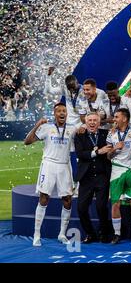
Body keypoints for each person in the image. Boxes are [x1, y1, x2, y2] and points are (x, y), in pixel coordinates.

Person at [24, 103, 77, 246]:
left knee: (67, 199)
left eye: (64, 111)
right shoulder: (46, 128)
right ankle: (36, 234)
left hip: (65, 166)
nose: (62, 113)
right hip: (49, 165)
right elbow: (27, 141)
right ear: (54, 114)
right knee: (44, 197)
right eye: (59, 111)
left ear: (67, 114)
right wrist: (37, 125)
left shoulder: (72, 129)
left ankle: (62, 234)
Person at [74, 112, 112, 243]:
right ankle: (90, 233)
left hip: (102, 176)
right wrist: (97, 152)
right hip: (86, 177)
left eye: (95, 120)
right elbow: (81, 154)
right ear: (85, 122)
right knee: (81, 208)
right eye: (89, 120)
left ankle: (104, 233)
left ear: (99, 122)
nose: (92, 123)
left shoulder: (106, 134)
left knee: (101, 207)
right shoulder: (79, 135)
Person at [106, 108, 131, 244]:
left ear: (124, 118)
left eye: (116, 117)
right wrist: (115, 148)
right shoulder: (111, 134)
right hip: (117, 170)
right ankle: (117, 234)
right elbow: (108, 156)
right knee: (115, 203)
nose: (114, 119)